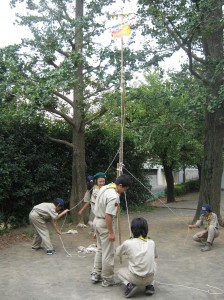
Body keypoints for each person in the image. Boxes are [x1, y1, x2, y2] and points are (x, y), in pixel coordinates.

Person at [91, 174, 131, 287]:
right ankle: (107, 279)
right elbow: (108, 215)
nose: (124, 191)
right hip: (104, 223)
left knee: (100, 249)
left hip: (96, 220)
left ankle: (96, 273)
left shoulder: (105, 187)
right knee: (108, 252)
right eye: (124, 189)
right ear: (120, 185)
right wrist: (111, 232)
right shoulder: (114, 196)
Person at [116, 217, 158, 298]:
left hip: (135, 279)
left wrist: (128, 250)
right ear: (146, 229)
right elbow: (155, 256)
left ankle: (130, 285)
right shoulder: (151, 242)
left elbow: (118, 252)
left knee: (119, 272)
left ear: (132, 230)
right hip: (150, 277)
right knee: (154, 264)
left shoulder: (128, 243)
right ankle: (150, 286)